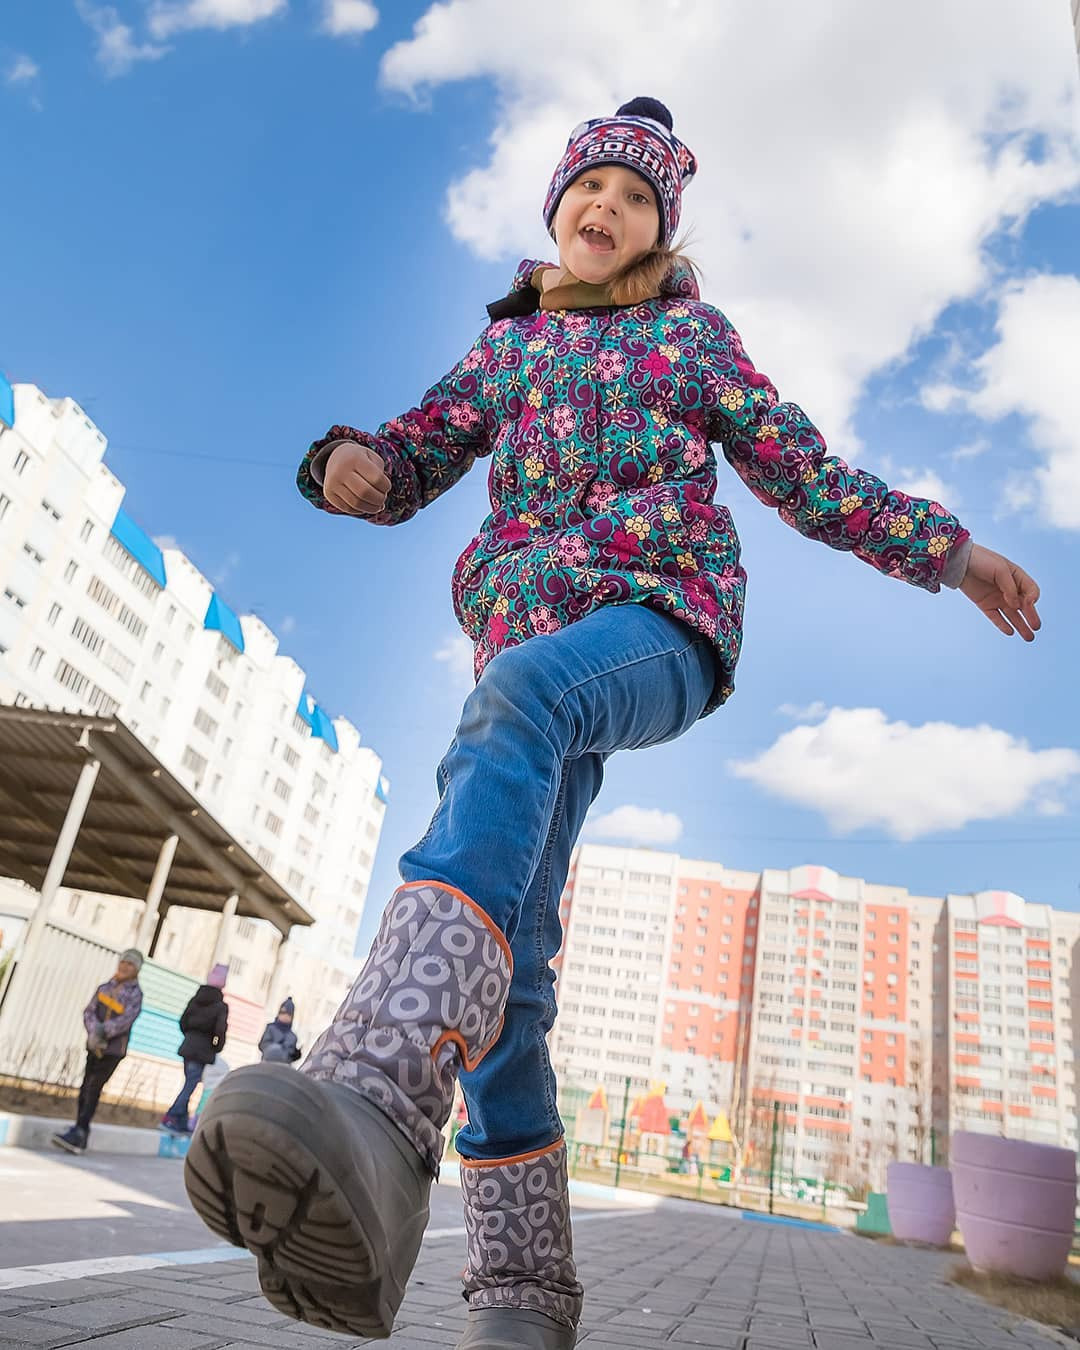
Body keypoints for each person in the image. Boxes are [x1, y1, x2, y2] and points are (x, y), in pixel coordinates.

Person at [185, 97, 1041, 1350]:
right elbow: (412, 453)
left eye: (637, 199)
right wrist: (346, 465)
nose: (609, 210)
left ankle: (376, 1090)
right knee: (519, 958)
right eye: (592, 188)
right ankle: (522, 1291)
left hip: (662, 621)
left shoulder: (693, 340)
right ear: (556, 206)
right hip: (528, 658)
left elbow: (806, 474)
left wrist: (951, 552)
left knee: (520, 694)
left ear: (661, 231)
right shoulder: (508, 354)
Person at [53, 948, 144, 1155]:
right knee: (85, 1087)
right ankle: (79, 1130)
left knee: (94, 1087)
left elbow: (125, 1020)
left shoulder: (135, 994)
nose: (124, 966)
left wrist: (103, 1032)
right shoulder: (105, 987)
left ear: (136, 969)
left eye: (130, 964)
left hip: (112, 1050)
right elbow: (89, 1011)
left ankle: (80, 1131)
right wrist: (94, 1031)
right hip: (94, 1045)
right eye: (123, 962)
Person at [161, 964, 229, 1133]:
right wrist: (216, 1048)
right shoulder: (220, 1006)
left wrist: (190, 1036)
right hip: (203, 1051)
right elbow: (220, 1030)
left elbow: (183, 1021)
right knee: (190, 1085)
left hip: (188, 1047)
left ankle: (182, 1123)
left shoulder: (196, 999)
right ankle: (171, 1117)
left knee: (189, 1082)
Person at [258, 997, 301, 1064]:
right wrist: (276, 1049)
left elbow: (290, 1054)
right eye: (283, 1013)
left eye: (288, 1014)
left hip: (282, 1068)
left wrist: (295, 1054)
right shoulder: (271, 1028)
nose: (285, 1016)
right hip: (267, 1063)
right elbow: (263, 1045)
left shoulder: (292, 1037)